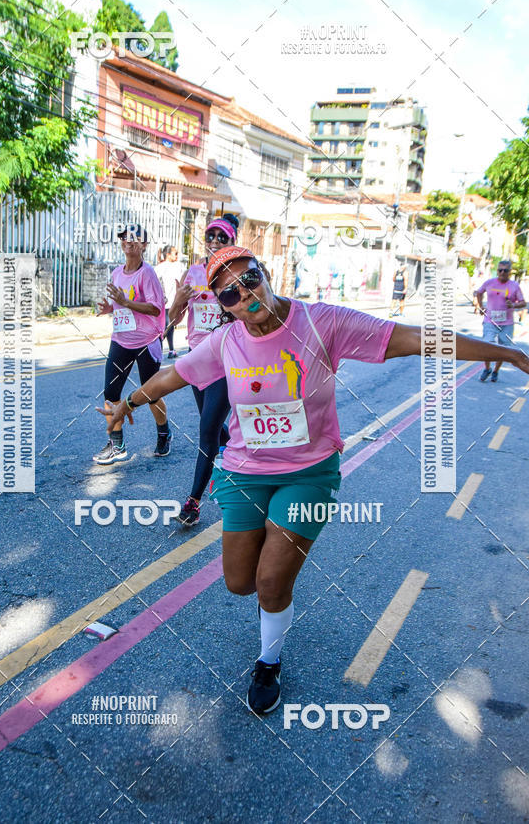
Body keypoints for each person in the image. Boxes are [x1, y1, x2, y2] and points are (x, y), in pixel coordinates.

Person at [97, 245, 529, 715]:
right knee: (240, 583)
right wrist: (128, 403)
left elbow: (409, 337)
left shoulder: (321, 322)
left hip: (309, 473)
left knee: (271, 581)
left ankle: (268, 661)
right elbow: (173, 376)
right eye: (229, 295)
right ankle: (271, 603)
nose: (245, 295)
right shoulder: (226, 342)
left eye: (250, 279)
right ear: (222, 306)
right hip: (244, 474)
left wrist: (504, 353)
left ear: (266, 275)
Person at [164, 214, 238, 526]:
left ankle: (193, 502)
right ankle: (242, 452)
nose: (215, 243)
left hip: (224, 358)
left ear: (232, 242)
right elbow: (172, 320)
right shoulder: (193, 272)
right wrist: (178, 302)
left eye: (222, 238)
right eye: (211, 236)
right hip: (197, 359)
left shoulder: (239, 273)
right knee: (216, 429)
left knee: (207, 431)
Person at [93, 224, 172, 464]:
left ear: (144, 245)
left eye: (136, 238)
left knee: (151, 394)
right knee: (111, 392)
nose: (129, 241)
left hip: (146, 341)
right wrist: (111, 308)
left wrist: (125, 302)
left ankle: (164, 432)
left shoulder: (146, 273)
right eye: (125, 238)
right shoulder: (117, 272)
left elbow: (155, 307)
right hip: (121, 340)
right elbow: (120, 304)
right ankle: (117, 445)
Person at [475, 259, 526, 382]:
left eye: (505, 270)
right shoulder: (489, 283)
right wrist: (481, 306)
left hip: (506, 324)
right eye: (500, 270)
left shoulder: (514, 286)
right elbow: (479, 292)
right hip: (490, 321)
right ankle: (487, 368)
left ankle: (495, 371)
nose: (502, 272)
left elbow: (523, 303)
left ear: (510, 272)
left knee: (503, 349)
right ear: (497, 271)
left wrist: (513, 305)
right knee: (487, 345)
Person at [155, 245, 184, 359]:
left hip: (174, 301)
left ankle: (170, 349)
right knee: (167, 325)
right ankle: (158, 347)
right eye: (175, 253)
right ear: (168, 255)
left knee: (170, 325)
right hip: (164, 302)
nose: (177, 256)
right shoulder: (160, 267)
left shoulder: (179, 266)